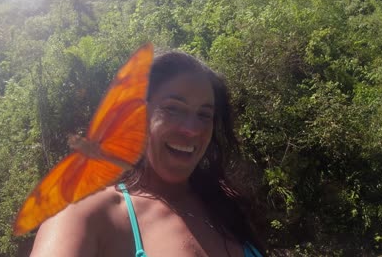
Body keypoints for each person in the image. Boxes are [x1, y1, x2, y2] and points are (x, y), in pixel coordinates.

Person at [30, 50, 264, 256]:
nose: (192, 130)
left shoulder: (226, 205)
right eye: (172, 109)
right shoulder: (88, 215)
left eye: (204, 115)